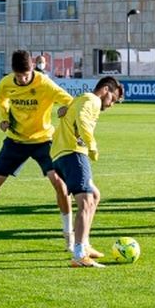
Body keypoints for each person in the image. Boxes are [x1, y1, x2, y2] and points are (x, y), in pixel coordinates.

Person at [0, 49, 78, 252]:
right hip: (15, 141)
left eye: (25, 75)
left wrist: (65, 109)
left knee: (59, 185)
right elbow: (1, 99)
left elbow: (71, 101)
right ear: (13, 72)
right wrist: (4, 118)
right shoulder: (6, 83)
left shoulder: (44, 84)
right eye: (19, 76)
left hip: (44, 141)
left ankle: (69, 234)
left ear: (33, 68)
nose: (23, 79)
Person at [53, 76, 124, 267]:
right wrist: (92, 146)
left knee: (95, 195)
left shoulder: (81, 99)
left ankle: (84, 244)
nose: (111, 105)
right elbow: (82, 119)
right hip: (73, 152)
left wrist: (64, 111)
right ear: (106, 90)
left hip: (61, 153)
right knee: (86, 201)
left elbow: (68, 111)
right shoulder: (92, 99)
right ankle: (78, 254)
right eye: (113, 100)